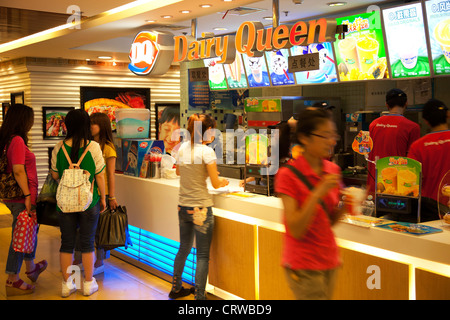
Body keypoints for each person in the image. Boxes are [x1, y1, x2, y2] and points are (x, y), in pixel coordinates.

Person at [274, 108, 347, 300]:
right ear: (305, 138)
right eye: (325, 135)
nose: (331, 141)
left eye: (333, 135)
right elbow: (296, 229)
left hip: (329, 260)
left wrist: (346, 204)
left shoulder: (333, 170)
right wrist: (318, 193)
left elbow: (329, 221)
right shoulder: (287, 175)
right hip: (303, 263)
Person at [169, 113, 229, 300]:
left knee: (184, 248)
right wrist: (223, 181)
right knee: (202, 255)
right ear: (207, 131)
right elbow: (215, 183)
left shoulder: (182, 148)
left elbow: (178, 171)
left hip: (183, 206)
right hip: (201, 208)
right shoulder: (206, 151)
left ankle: (176, 288)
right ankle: (200, 298)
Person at [50, 109, 106, 297]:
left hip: (64, 203)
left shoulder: (59, 147)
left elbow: (55, 174)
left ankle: (68, 285)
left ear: (67, 125)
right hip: (89, 202)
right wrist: (104, 198)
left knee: (66, 243)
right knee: (88, 242)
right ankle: (89, 284)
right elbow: (100, 176)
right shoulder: (94, 147)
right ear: (86, 125)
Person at [0, 104, 47, 296]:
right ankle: (13, 279)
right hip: (21, 197)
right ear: (23, 120)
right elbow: (19, 170)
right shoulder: (17, 140)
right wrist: (28, 196)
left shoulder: (5, 139)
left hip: (15, 196)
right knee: (19, 238)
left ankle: (31, 267)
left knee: (28, 231)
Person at [73, 112, 118, 274]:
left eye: (94, 123)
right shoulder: (86, 145)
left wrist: (111, 196)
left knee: (101, 230)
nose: (90, 126)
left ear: (103, 126)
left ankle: (99, 262)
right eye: (89, 123)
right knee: (80, 228)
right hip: (85, 192)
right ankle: (77, 260)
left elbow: (110, 174)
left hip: (101, 194)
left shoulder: (108, 148)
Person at [367, 89, 420, 193]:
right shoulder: (412, 127)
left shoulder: (373, 124)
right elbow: (412, 161)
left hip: (375, 183)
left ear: (386, 104)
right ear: (406, 103)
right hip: (399, 188)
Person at [408, 99, 450, 221]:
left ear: (426, 121)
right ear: (447, 115)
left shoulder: (418, 146)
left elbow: (412, 182)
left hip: (430, 210)